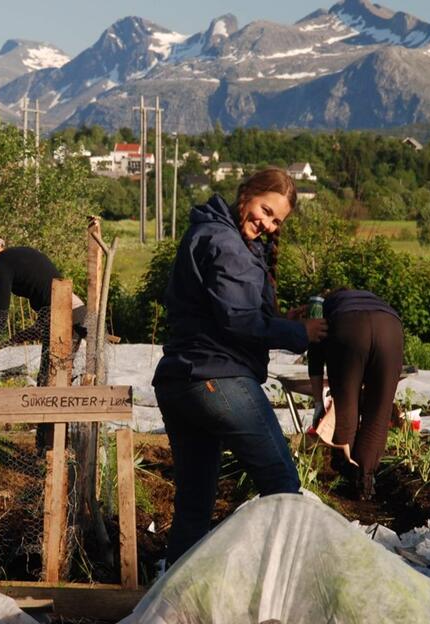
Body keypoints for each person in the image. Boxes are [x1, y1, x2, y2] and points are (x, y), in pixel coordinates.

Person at [152, 167, 327, 565]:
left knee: (195, 502)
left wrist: (286, 320)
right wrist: (302, 333)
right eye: (266, 210)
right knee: (282, 486)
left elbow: (228, 310)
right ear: (246, 193)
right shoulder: (226, 243)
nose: (266, 223)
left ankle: (176, 601)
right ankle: (277, 585)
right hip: (218, 378)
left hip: (179, 381)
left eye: (276, 220)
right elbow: (240, 321)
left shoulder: (206, 231)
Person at [0, 230, 86, 449]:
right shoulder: (17, 255)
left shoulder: (1, 265)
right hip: (74, 309)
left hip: (64, 314)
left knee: (50, 380)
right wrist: (26, 333)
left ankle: (49, 448)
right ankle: (56, 447)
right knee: (58, 377)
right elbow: (45, 292)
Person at [307, 289, 404, 501]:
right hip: (390, 328)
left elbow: (314, 355)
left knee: (345, 409)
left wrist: (317, 402)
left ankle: (346, 473)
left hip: (348, 327)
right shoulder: (374, 299)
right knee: (378, 415)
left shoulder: (325, 307)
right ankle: (365, 483)